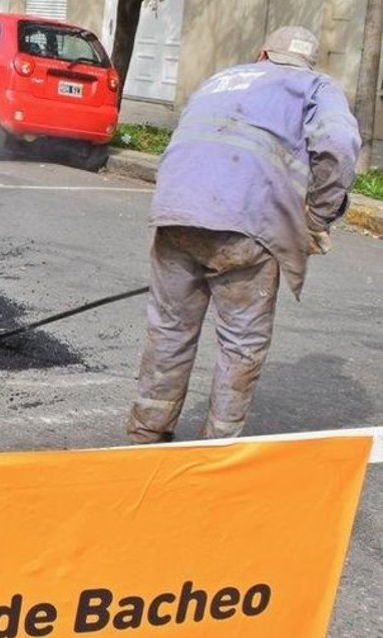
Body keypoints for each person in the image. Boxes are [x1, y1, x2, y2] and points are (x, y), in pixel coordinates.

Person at [126, 26, 359, 444]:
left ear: (262, 53)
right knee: (241, 343)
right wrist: (318, 218)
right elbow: (339, 144)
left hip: (175, 211)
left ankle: (147, 433)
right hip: (247, 225)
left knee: (169, 328)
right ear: (307, 63)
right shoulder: (316, 85)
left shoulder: (221, 78)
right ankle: (217, 449)